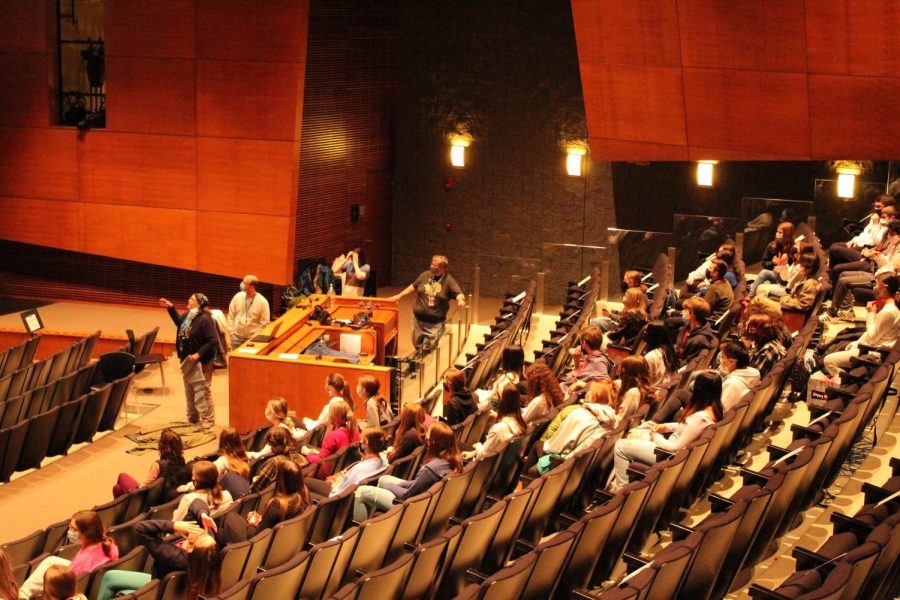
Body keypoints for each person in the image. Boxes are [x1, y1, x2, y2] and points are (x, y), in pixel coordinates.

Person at [609, 371, 723, 492]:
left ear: (700, 389)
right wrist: (665, 427)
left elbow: (675, 449)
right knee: (635, 435)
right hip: (670, 447)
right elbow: (689, 429)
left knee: (621, 446)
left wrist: (656, 436)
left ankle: (620, 491)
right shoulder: (715, 408)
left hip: (667, 455)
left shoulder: (700, 418)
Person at [353, 422, 462, 521]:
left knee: (361, 492)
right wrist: (394, 485)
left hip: (411, 508)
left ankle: (361, 533)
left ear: (433, 441)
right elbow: (416, 484)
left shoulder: (430, 470)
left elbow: (407, 495)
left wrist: (389, 486)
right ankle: (381, 519)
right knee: (383, 479)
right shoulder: (449, 460)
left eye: (428, 434)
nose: (425, 436)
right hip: (422, 502)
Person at [19, 511, 119, 599]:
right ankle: (24, 592)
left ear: (85, 534)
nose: (69, 531)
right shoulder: (110, 545)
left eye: (73, 529)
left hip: (74, 582)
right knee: (51, 560)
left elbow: (69, 584)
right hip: (90, 573)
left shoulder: (82, 561)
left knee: (50, 576)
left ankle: (22, 595)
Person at [526, 380, 618, 474]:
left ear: (596, 394)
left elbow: (555, 447)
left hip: (563, 464)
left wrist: (547, 445)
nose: (587, 392)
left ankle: (521, 485)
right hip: (583, 467)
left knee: (538, 444)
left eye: (590, 390)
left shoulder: (579, 414)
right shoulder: (612, 419)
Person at [159, 293, 218, 429]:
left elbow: (213, 341)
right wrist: (171, 308)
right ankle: (193, 416)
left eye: (191, 299)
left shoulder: (205, 319)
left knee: (203, 390)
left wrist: (198, 354)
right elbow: (179, 323)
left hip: (202, 360)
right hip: (188, 360)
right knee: (189, 389)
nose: (188, 300)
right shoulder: (189, 315)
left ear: (198, 303)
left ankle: (208, 419)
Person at [220, 457, 311, 543]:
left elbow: (254, 537)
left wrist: (252, 523)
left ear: (280, 480)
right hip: (282, 543)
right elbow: (274, 523)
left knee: (229, 516)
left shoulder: (278, 504)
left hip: (256, 546)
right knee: (221, 534)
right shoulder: (305, 495)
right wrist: (263, 519)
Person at [824, 275, 900, 376]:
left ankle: (845, 382)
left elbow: (872, 338)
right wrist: (857, 342)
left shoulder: (889, 311)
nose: (876, 287)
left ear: (885, 288)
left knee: (828, 361)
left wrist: (871, 313)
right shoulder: (890, 307)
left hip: (873, 352)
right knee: (841, 344)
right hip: (870, 345)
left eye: (878, 284)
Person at [390, 255, 466, 355]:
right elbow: (414, 286)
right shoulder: (425, 275)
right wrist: (400, 295)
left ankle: (420, 367)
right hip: (417, 320)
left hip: (434, 324)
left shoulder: (448, 281)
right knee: (417, 345)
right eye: (432, 264)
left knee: (428, 351)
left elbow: (458, 293)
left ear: (443, 268)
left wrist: (460, 299)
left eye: (435, 265)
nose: (431, 266)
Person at [131, 516, 221, 596]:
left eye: (202, 535)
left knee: (116, 577)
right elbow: (196, 502)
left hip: (154, 589)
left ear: (190, 548)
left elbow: (140, 528)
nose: (202, 531)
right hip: (166, 590)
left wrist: (173, 526)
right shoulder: (204, 560)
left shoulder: (173, 556)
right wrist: (203, 514)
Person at [307, 427, 389, 499]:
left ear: (366, 444)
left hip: (337, 497)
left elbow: (338, 494)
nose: (359, 443)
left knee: (307, 482)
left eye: (361, 440)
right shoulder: (383, 461)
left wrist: (335, 484)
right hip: (347, 489)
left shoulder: (358, 469)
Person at [112, 427, 186, 499]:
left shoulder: (158, 465)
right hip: (161, 496)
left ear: (162, 447)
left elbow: (144, 487)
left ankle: (129, 509)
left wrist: (139, 487)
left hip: (146, 499)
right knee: (117, 489)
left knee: (122, 476)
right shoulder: (181, 461)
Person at [463, 385, 526, 461]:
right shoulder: (521, 421)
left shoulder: (498, 428)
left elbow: (483, 454)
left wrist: (477, 445)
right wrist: (474, 452)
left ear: (502, 401)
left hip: (482, 465)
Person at [303, 400, 360, 476]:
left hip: (331, 473)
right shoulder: (355, 431)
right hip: (345, 471)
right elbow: (334, 454)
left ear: (333, 417)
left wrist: (308, 453)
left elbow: (319, 461)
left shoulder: (333, 436)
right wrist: (317, 453)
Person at [561, 326, 613, 399]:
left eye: (580, 342)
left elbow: (604, 387)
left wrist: (580, 384)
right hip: (566, 388)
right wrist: (576, 360)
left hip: (570, 394)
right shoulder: (593, 355)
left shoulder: (598, 362)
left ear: (584, 343)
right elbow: (582, 374)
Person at [226, 274, 270, 349]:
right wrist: (231, 333)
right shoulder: (237, 297)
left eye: (244, 283)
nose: (242, 285)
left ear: (251, 287)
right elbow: (231, 316)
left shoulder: (263, 302)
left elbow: (264, 324)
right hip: (236, 338)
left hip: (252, 339)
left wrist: (254, 337)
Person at [718, 341, 760, 412]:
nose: (721, 360)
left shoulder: (731, 384)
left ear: (732, 362)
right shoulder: (754, 374)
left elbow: (720, 412)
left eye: (723, 357)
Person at [251, 427, 296, 492]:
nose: (271, 448)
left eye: (272, 445)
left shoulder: (273, 463)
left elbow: (255, 489)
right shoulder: (294, 456)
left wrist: (255, 480)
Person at [675, 297, 715, 365]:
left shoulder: (699, 340)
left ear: (692, 314)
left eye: (685, 310)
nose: (683, 312)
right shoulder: (686, 328)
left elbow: (687, 364)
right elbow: (678, 348)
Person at [615, 356, 653, 424]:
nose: (618, 368)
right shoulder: (637, 389)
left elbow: (620, 420)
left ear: (623, 370)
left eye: (620, 366)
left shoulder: (634, 393)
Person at [641, 320, 677, 388]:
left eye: (647, 331)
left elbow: (644, 384)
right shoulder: (669, 351)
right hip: (660, 389)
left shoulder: (650, 357)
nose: (644, 333)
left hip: (651, 391)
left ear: (653, 336)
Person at [699, 258, 734, 322]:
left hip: (711, 321)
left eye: (710, 268)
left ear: (715, 273)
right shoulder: (726, 282)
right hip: (721, 319)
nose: (708, 270)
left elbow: (704, 312)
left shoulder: (714, 289)